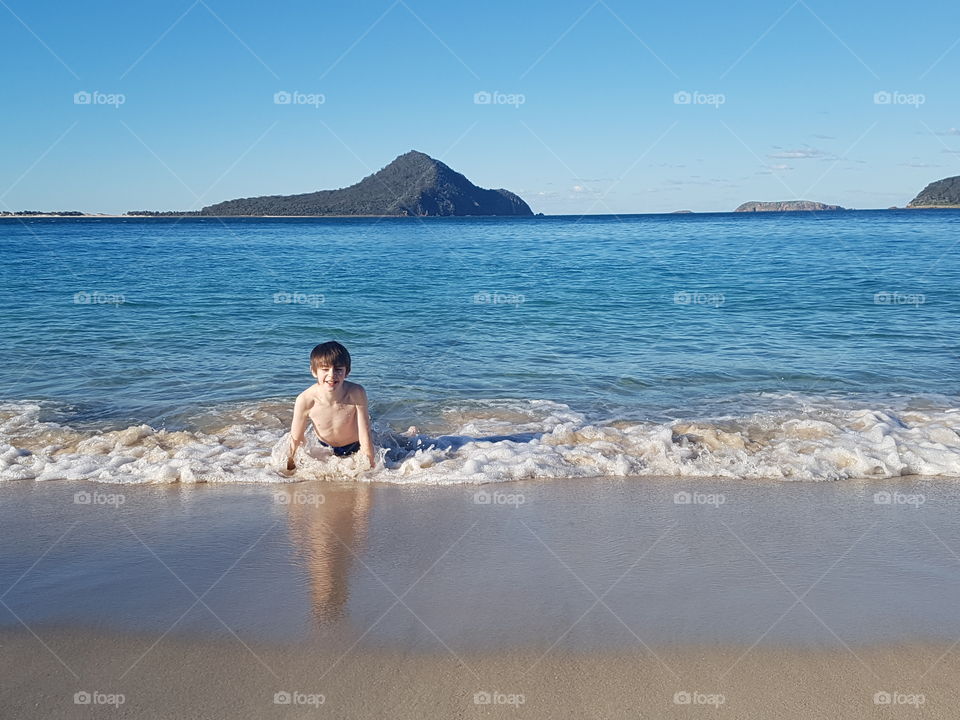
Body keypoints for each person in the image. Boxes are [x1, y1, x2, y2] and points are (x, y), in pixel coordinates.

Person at [286, 341, 376, 472]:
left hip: (355, 445)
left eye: (339, 370)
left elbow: (365, 434)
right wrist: (290, 467)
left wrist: (371, 468)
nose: (332, 375)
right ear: (314, 371)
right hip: (324, 448)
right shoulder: (305, 400)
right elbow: (296, 439)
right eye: (325, 369)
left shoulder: (356, 393)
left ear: (347, 372)